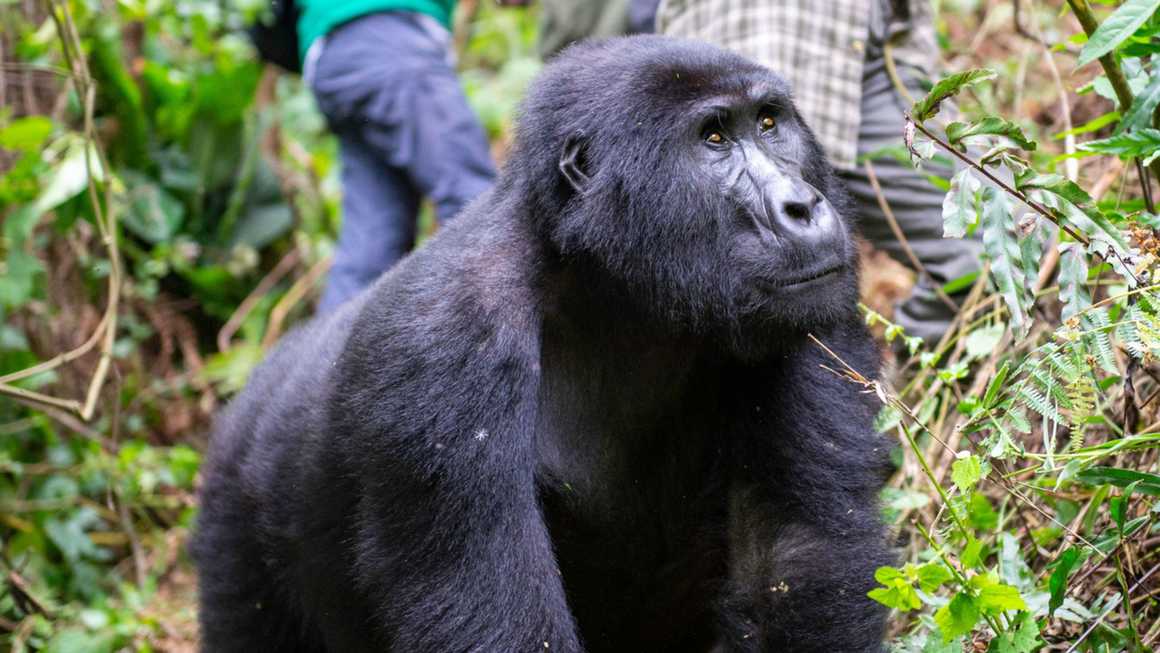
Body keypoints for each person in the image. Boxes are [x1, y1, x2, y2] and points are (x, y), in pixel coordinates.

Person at [655, 0, 983, 344]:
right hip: (753, 27)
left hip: (863, 44)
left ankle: (911, 374)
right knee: (752, 283)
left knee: (996, 248)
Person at [297, 1, 498, 311]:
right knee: (477, 203)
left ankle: (332, 360)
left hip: (330, 55)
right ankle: (515, 351)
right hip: (390, 39)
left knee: (370, 254)